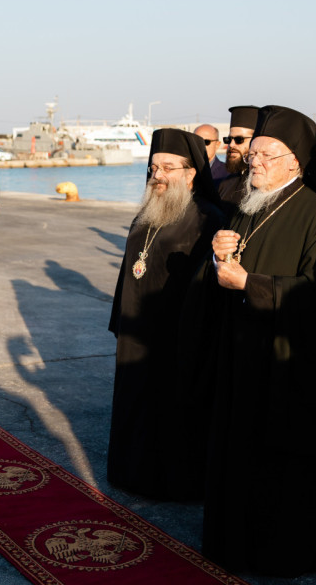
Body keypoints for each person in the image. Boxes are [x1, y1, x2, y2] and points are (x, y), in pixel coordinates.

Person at [205, 105, 316, 576]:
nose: (256, 163)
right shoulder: (250, 202)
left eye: (269, 155)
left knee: (282, 467)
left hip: (290, 362)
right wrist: (218, 255)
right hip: (243, 355)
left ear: (297, 161)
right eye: (254, 154)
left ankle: (280, 553)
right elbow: (230, 275)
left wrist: (250, 284)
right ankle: (234, 543)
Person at [107, 129, 225, 500]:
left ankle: (168, 482)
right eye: (154, 167)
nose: (157, 175)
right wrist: (119, 320)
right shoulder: (147, 211)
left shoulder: (209, 218)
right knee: (134, 402)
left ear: (191, 173)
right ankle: (129, 471)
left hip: (175, 334)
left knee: (168, 410)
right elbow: (131, 267)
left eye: (168, 168)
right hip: (135, 329)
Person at [216, 106, 258, 207]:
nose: (231, 145)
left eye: (239, 140)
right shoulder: (224, 184)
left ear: (256, 140)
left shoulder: (262, 185)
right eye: (229, 139)